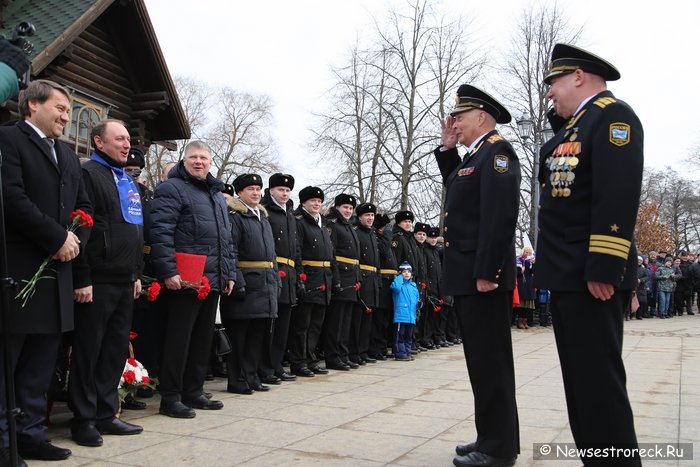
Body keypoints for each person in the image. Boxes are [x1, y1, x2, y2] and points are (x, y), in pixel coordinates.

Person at [536, 43, 642, 465]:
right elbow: (553, 165)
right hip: (568, 275)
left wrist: (604, 267)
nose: (548, 93)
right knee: (581, 389)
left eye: (553, 83)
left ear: (577, 76)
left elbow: (616, 197)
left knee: (599, 388)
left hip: (590, 276)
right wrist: (562, 120)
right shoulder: (580, 124)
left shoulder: (614, 117)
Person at [0, 79, 91, 464]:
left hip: (57, 276)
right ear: (33, 105)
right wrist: (56, 237)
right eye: (61, 109)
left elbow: (83, 210)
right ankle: (4, 441)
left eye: (70, 112)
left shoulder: (68, 156)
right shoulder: (9, 140)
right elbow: (10, 197)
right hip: (19, 271)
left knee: (41, 363)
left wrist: (74, 244)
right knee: (10, 361)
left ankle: (31, 432)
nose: (67, 118)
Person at [435, 84, 521, 467]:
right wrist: (447, 147)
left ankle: (499, 448)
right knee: (480, 363)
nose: (456, 123)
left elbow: (499, 218)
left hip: (482, 276)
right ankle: (488, 436)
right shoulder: (476, 155)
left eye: (461, 117)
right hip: (469, 275)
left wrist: (488, 271)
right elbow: (458, 185)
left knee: (492, 363)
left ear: (482, 116)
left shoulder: (497, 153)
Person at [68, 119, 144, 446]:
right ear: (99, 142)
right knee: (89, 350)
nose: (127, 144)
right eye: (119, 139)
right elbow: (82, 226)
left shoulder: (127, 180)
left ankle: (105, 412)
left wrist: (136, 273)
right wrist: (82, 276)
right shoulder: (89, 174)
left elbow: (136, 230)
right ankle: (83, 419)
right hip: (96, 279)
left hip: (125, 279)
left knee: (114, 351)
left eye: (128, 139)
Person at [150, 140, 234, 416]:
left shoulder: (216, 194)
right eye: (194, 157)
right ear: (184, 161)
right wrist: (168, 271)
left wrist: (229, 273)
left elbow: (226, 239)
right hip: (184, 277)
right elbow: (160, 231)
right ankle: (171, 396)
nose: (199, 162)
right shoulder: (171, 189)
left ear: (211, 162)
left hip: (212, 278)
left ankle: (194, 391)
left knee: (201, 339)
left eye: (204, 158)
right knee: (179, 339)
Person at [219, 174, 279, 395]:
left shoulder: (262, 217)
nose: (255, 193)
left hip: (265, 283)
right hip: (246, 282)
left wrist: (275, 279)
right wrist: (237, 279)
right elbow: (230, 250)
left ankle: (252, 376)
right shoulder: (235, 216)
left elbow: (271, 253)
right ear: (240, 192)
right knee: (239, 336)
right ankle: (236, 379)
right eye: (250, 189)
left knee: (257, 335)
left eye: (258, 189)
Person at [258, 174, 300, 384]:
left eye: (287, 190)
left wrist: (299, 274)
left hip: (290, 274)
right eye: (280, 190)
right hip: (273, 271)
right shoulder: (266, 211)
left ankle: (277, 365)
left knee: (283, 326)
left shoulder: (290, 215)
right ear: (271, 190)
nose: (284, 194)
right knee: (270, 326)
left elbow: (296, 247)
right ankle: (265, 368)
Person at [289, 187, 333, 376]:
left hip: (324, 277)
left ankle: (310, 358)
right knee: (302, 324)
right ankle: (298, 361)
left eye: (319, 201)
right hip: (309, 276)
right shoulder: (299, 221)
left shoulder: (322, 224)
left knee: (316, 324)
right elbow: (297, 250)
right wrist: (300, 276)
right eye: (313, 200)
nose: (316, 204)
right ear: (304, 202)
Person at [324, 194, 361, 370]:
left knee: (346, 321)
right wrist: (336, 278)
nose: (348, 211)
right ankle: (333, 356)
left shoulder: (350, 227)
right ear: (337, 207)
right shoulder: (333, 225)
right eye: (345, 207)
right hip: (340, 276)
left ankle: (343, 354)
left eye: (350, 208)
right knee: (336, 322)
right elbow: (332, 255)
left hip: (351, 278)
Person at [353, 202, 381, 364]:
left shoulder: (372, 234)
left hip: (372, 279)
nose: (370, 218)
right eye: (367, 215)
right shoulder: (357, 232)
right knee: (357, 319)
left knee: (367, 319)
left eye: (372, 215)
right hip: (361, 277)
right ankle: (354, 351)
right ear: (360, 217)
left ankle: (363, 351)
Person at [368, 213, 397, 360]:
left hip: (390, 282)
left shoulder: (386, 239)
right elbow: (384, 251)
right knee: (378, 320)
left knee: (385, 320)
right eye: (385, 228)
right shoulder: (380, 239)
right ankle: (375, 349)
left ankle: (382, 347)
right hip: (382, 282)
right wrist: (386, 234)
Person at [390, 262, 420, 361]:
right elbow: (395, 288)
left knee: (408, 336)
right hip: (401, 316)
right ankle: (400, 353)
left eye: (408, 272)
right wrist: (399, 278)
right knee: (400, 335)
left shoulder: (413, 286)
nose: (406, 274)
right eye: (404, 272)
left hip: (411, 316)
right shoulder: (398, 284)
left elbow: (416, 299)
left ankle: (407, 351)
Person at [514, 246, 535, 329]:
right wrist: (521, 269)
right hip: (521, 283)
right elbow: (516, 273)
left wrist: (533, 264)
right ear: (523, 252)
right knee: (521, 303)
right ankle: (519, 321)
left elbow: (533, 272)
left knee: (527, 304)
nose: (528, 254)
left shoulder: (531, 261)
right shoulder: (518, 260)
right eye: (526, 252)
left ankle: (525, 321)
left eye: (529, 253)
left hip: (529, 284)